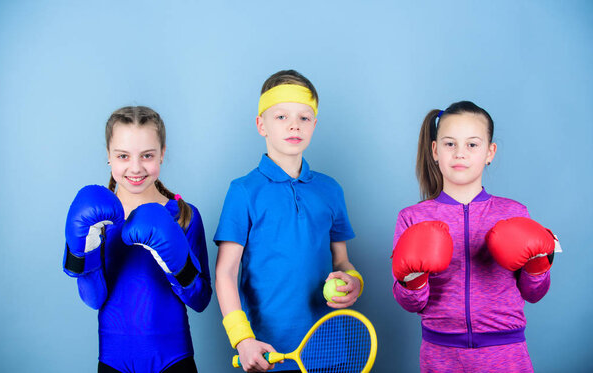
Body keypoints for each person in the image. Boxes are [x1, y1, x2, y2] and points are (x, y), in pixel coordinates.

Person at [391, 101, 557, 372]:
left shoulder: (514, 212)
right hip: (440, 355)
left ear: (489, 152)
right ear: (434, 150)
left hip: (506, 354)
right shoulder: (412, 218)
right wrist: (413, 278)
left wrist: (539, 264)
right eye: (449, 144)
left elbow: (534, 292)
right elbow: (410, 303)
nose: (460, 154)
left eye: (472, 144)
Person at [214, 70, 364, 372]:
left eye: (304, 118)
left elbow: (342, 262)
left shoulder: (330, 190)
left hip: (327, 348)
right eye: (281, 117)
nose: (294, 124)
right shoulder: (243, 191)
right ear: (261, 125)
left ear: (314, 125)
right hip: (266, 351)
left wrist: (355, 282)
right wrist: (242, 339)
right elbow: (225, 273)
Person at [63, 106, 212, 373]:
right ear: (108, 156)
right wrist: (88, 244)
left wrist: (176, 263)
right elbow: (93, 299)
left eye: (147, 155)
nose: (135, 167)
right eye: (123, 155)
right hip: (113, 361)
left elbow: (201, 300)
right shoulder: (95, 220)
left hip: (174, 359)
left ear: (162, 153)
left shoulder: (183, 216)